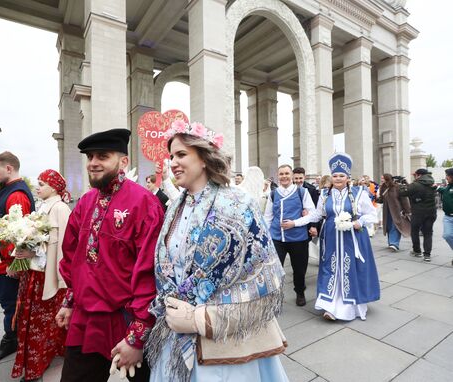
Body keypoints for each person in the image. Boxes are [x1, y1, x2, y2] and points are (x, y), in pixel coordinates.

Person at [147, 121, 288, 382]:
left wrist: (200, 319)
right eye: (171, 156)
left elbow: (261, 273)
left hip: (223, 341)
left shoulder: (237, 202)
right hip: (174, 329)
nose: (173, 163)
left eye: (181, 155)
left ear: (203, 158)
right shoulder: (175, 206)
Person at [57, 128, 164, 382]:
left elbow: (151, 271)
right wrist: (70, 300)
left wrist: (138, 335)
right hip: (86, 319)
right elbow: (73, 258)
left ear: (123, 161)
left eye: (102, 156)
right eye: (90, 157)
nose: (93, 163)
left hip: (127, 320)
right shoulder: (85, 202)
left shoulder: (144, 203)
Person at [11, 169, 71, 382]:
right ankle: (51, 352)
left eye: (42, 183)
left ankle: (38, 363)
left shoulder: (61, 208)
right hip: (34, 273)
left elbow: (64, 246)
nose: (37, 187)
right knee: (36, 319)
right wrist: (20, 256)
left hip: (48, 275)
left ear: (54, 187)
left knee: (42, 320)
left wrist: (32, 253)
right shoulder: (42, 206)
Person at [0, 151, 36, 365]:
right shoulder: (9, 190)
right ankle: (15, 338)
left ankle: (12, 340)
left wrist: (14, 262)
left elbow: (18, 233)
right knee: (10, 304)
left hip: (6, 266)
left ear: (9, 168)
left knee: (11, 306)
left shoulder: (16, 195)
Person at [312, 153, 380, 321]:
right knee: (331, 268)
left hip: (353, 238)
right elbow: (317, 214)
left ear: (348, 177)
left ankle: (348, 307)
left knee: (350, 270)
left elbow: (373, 216)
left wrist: (360, 222)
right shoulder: (324, 195)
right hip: (330, 238)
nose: (338, 179)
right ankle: (329, 307)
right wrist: (296, 223)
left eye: (341, 176)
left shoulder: (359, 193)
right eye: (335, 176)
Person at [264, 164, 318, 306]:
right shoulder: (273, 193)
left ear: (292, 175)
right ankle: (275, 296)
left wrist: (295, 223)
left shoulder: (302, 192)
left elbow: (313, 214)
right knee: (275, 269)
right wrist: (266, 236)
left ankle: (300, 292)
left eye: (287, 173)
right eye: (281, 174)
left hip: (298, 238)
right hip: (277, 238)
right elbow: (268, 217)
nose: (284, 176)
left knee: (299, 270)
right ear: (278, 176)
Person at [399, 168, 437, 262]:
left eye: (415, 175)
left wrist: (401, 184)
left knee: (414, 231)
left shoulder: (416, 184)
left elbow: (402, 192)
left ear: (419, 175)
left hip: (418, 212)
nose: (414, 177)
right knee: (428, 233)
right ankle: (427, 255)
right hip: (431, 211)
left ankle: (417, 251)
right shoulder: (432, 183)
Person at [379, 174, 411, 252]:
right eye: (381, 178)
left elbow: (404, 199)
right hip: (387, 211)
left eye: (383, 178)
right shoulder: (383, 187)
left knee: (395, 225)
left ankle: (394, 244)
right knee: (389, 226)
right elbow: (382, 198)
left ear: (388, 179)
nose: (382, 180)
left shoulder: (397, 187)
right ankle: (391, 243)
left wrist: (407, 211)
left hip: (396, 210)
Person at [437, 168, 453, 263]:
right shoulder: (448, 187)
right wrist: (436, 187)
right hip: (448, 217)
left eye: (447, 176)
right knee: (447, 235)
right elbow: (444, 190)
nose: (446, 178)